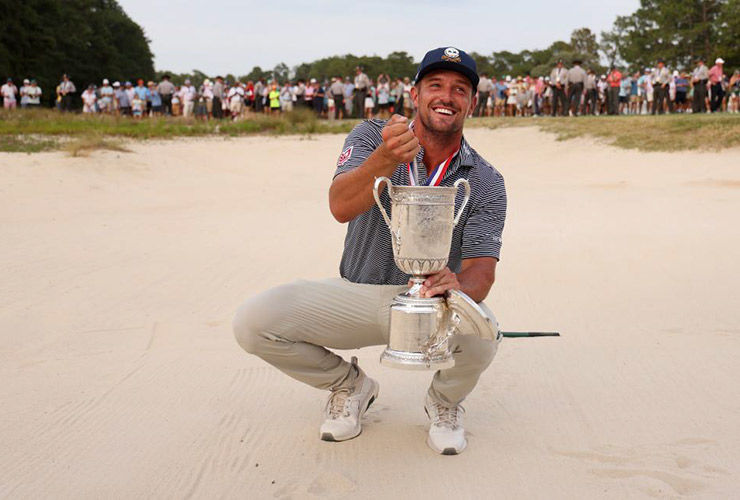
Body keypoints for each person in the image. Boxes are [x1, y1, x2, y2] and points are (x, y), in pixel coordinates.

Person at [233, 46, 507, 456]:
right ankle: (350, 385)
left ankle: (444, 403)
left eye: (460, 89)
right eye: (435, 85)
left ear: (471, 103)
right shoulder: (370, 136)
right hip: (357, 295)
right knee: (253, 322)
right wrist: (384, 158)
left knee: (485, 333)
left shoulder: (486, 179)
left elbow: (481, 273)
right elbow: (340, 206)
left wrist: (457, 285)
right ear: (414, 95)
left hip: (429, 307)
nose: (446, 96)